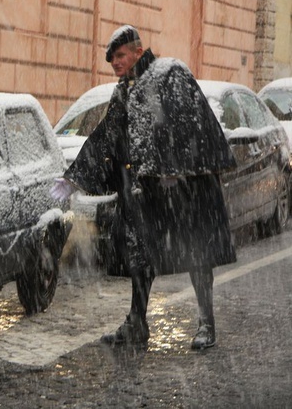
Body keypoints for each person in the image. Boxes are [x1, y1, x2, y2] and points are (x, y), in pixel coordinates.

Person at [51, 25, 237, 350]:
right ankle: (137, 323)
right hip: (144, 193)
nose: (117, 64)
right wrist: (75, 176)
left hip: (181, 190)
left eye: (121, 56)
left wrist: (176, 167)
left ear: (138, 51)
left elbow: (190, 121)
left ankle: (207, 324)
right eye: (113, 61)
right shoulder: (124, 90)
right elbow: (105, 136)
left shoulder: (169, 72)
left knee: (196, 254)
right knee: (139, 257)